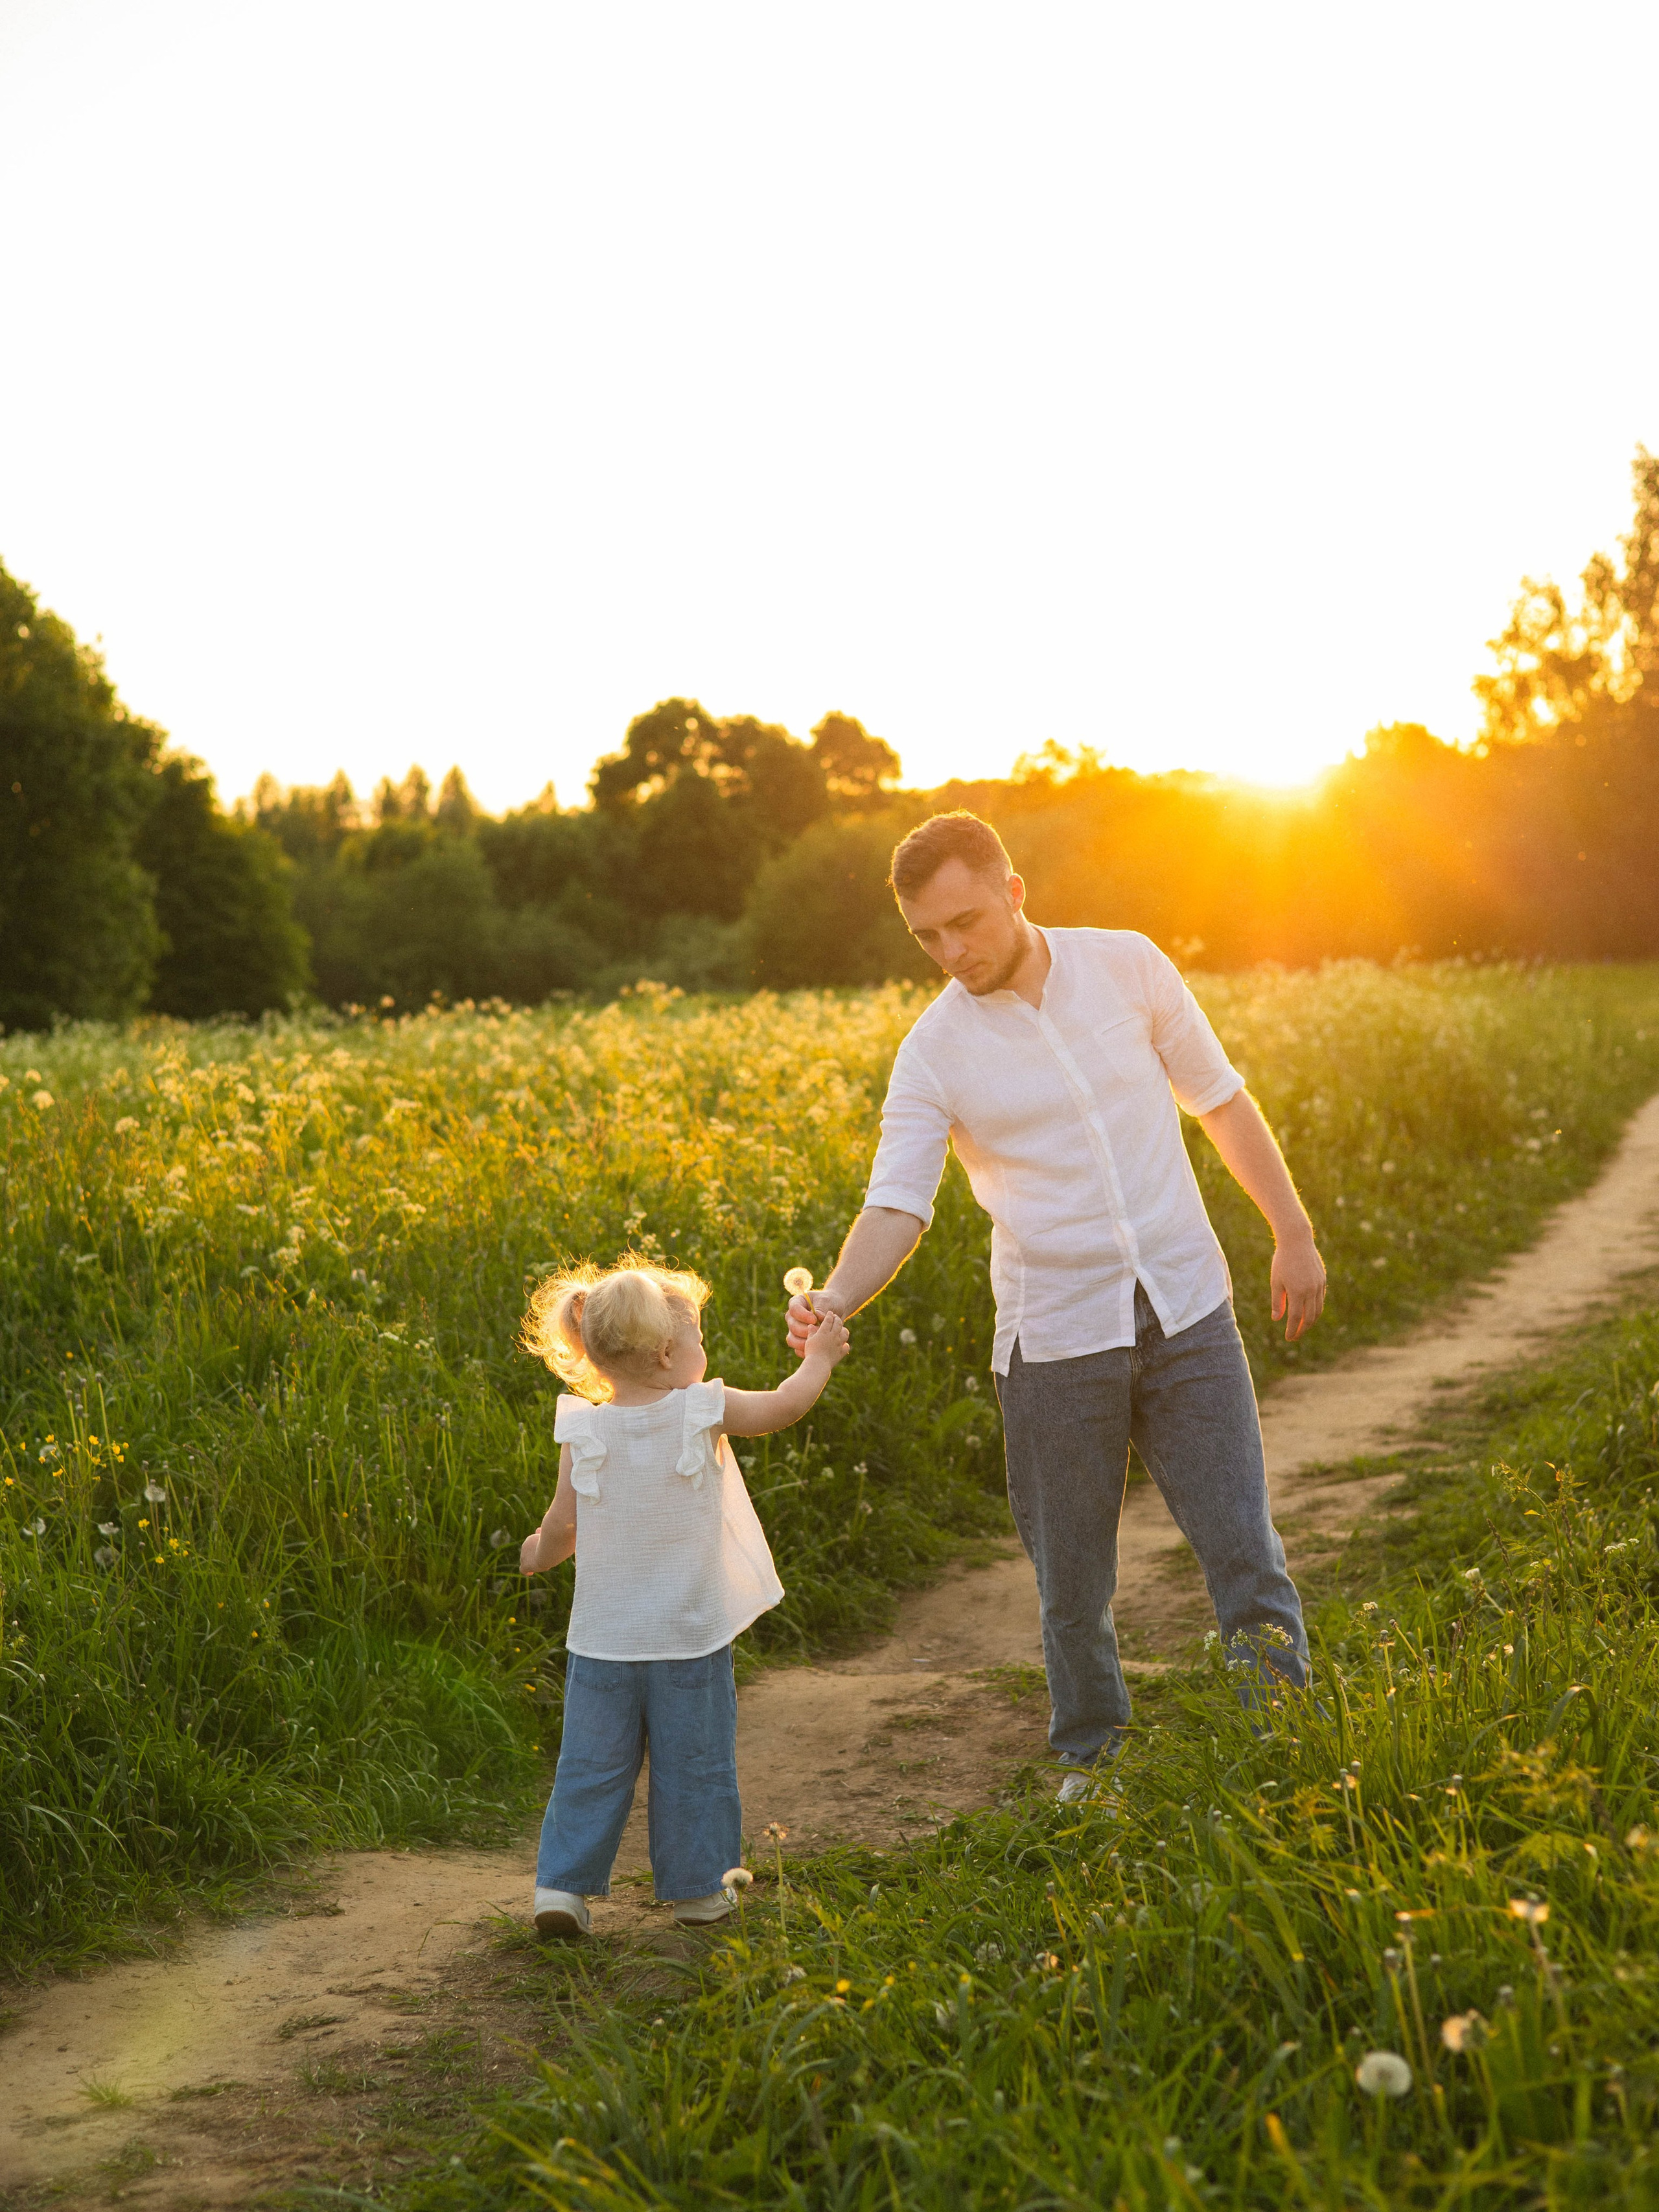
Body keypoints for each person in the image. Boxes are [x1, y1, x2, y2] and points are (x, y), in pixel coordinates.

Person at [785, 811, 1327, 1800]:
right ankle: (1092, 1751)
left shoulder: (1128, 967)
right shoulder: (935, 1051)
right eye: (928, 938)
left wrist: (1290, 1231)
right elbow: (898, 1201)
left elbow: (1219, 1100)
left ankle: (1280, 1740)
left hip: (1186, 1306)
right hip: (1055, 1340)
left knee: (1244, 1545)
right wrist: (834, 1295)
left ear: (1015, 891)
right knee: (1072, 1584)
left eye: (966, 922)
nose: (953, 953)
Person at [520, 1255, 850, 1934]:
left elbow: (562, 1524)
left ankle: (561, 1891)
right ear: (669, 1352)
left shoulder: (582, 1427)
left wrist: (536, 1553)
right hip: (689, 1639)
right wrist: (818, 1356)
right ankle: (701, 1890)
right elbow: (785, 1406)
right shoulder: (704, 1408)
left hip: (603, 1644)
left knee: (589, 1767)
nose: (705, 1349)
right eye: (699, 1336)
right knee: (694, 1766)